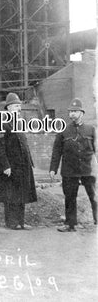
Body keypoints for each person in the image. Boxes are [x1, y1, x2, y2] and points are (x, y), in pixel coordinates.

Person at [50, 98, 97, 232]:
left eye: (75, 111)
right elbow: (56, 151)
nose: (72, 114)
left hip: (88, 170)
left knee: (94, 197)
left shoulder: (90, 130)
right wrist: (53, 169)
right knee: (70, 197)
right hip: (69, 170)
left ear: (82, 113)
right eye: (70, 112)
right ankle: (71, 224)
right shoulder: (63, 130)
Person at [0, 93, 37, 230]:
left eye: (19, 106)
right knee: (10, 195)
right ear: (8, 108)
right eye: (16, 106)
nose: (18, 108)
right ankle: (12, 222)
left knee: (21, 194)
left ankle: (21, 222)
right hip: (10, 166)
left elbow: (24, 143)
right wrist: (5, 165)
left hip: (23, 165)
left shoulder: (18, 122)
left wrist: (30, 162)